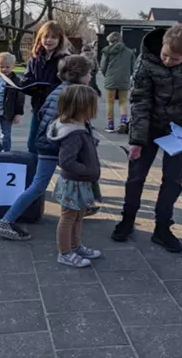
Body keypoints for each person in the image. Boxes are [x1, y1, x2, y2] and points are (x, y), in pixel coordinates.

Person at [111, 25, 182, 253]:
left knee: (173, 180)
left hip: (179, 131)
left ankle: (163, 227)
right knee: (136, 176)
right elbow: (140, 101)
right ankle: (127, 220)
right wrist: (136, 140)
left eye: (175, 59)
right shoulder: (146, 61)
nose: (167, 61)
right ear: (162, 44)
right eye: (165, 55)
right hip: (148, 126)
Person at [0, 55, 92, 240]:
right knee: (39, 186)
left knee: (55, 180)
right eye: (89, 73)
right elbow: (72, 123)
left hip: (48, 142)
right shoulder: (74, 93)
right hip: (54, 145)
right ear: (79, 74)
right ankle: (6, 221)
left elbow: (42, 113)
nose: (91, 77)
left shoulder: (59, 89)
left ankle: (88, 205)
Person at [48, 84, 102, 267]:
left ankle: (75, 246)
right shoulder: (73, 132)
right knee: (69, 217)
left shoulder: (79, 125)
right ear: (81, 107)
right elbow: (66, 161)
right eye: (93, 106)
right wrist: (87, 170)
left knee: (79, 216)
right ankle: (64, 252)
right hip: (74, 182)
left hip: (80, 181)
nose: (95, 110)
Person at [22, 21, 69, 154]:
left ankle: (46, 168)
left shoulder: (64, 60)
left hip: (56, 109)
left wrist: (50, 89)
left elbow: (67, 83)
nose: (49, 40)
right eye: (45, 37)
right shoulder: (34, 58)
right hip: (38, 107)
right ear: (40, 38)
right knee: (32, 143)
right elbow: (28, 76)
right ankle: (34, 170)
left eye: (53, 37)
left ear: (60, 39)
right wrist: (25, 84)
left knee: (51, 143)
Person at [100, 32, 136, 133]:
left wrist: (107, 75)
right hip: (124, 79)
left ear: (110, 41)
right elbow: (133, 67)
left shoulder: (107, 51)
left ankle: (110, 125)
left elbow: (103, 67)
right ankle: (123, 122)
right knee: (123, 101)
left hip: (110, 79)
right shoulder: (129, 52)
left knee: (110, 102)